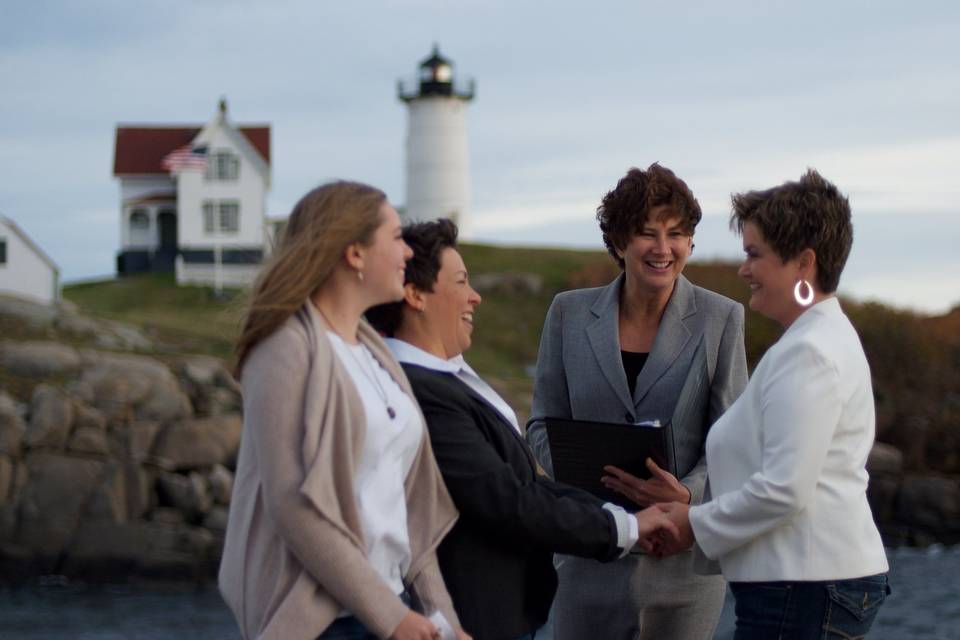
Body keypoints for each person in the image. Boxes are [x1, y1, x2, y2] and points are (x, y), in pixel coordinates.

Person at [365, 218, 680, 640]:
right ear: (415, 294)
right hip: (464, 621)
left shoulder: (442, 380)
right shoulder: (419, 391)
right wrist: (623, 528)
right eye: (460, 281)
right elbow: (504, 498)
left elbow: (525, 482)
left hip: (494, 616)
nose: (474, 296)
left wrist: (622, 518)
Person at [618, 170, 891, 638]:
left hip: (803, 586)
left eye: (754, 254)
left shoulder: (810, 352)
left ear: (803, 263)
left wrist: (693, 522)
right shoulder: (817, 338)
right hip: (807, 583)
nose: (743, 269)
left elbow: (785, 489)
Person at [219, 181, 471, 640]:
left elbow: (411, 511)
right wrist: (392, 619)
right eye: (395, 237)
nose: (408, 254)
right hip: (324, 623)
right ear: (354, 253)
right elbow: (293, 505)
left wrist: (445, 622)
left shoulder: (377, 352)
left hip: (390, 611)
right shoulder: (284, 348)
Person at [526, 163, 749, 640]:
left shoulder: (722, 318)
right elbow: (542, 423)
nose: (663, 248)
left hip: (682, 563)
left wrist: (686, 495)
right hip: (589, 556)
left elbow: (734, 437)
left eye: (677, 234)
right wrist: (590, 481)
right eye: (647, 233)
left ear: (691, 242)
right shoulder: (566, 313)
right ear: (619, 241)